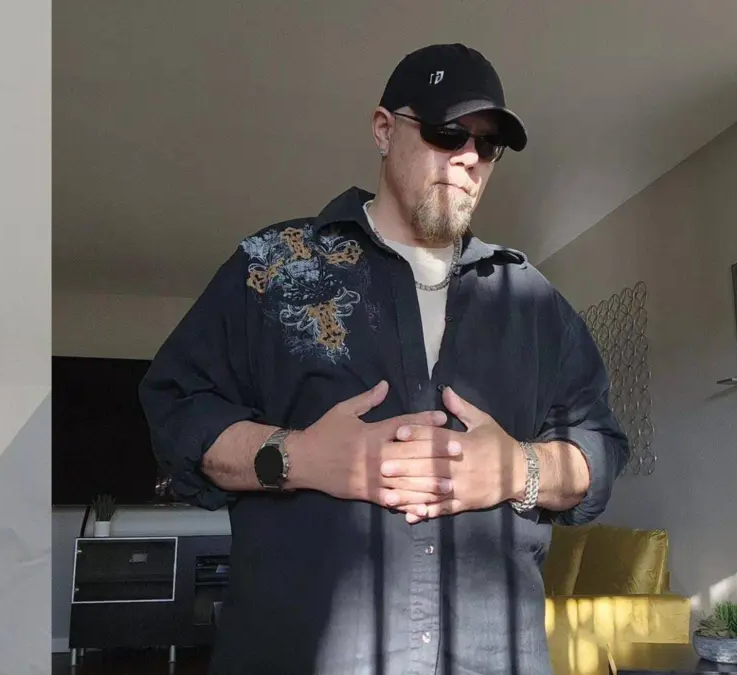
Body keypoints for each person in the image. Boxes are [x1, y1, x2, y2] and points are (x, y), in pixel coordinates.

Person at [140, 43, 629, 675]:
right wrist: (297, 457)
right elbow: (177, 411)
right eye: (447, 132)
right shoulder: (274, 269)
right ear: (382, 129)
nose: (468, 157)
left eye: (487, 145)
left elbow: (600, 449)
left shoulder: (533, 302)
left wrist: (519, 469)